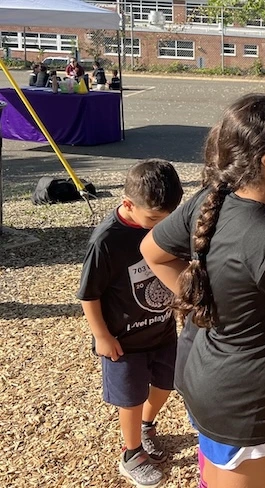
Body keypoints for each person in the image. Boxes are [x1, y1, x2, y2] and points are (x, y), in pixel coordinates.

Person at [141, 93, 265, 488]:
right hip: (251, 407)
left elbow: (154, 252)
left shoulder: (210, 200)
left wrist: (210, 299)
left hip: (207, 380)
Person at [76, 159, 184, 488]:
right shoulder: (106, 241)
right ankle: (131, 451)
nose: (160, 228)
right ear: (128, 204)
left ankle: (147, 427)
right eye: (153, 220)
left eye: (167, 220)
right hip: (124, 342)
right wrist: (101, 335)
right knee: (132, 398)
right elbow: (88, 294)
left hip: (163, 331)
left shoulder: (165, 225)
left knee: (166, 385)